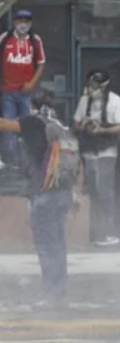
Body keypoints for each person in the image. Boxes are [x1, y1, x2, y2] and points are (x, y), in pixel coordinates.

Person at [1, 104, 77, 306]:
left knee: (46, 246)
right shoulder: (59, 126)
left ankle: (52, 294)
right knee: (58, 245)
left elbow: (4, 124)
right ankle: (58, 292)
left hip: (44, 193)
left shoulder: (32, 122)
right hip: (62, 192)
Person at [73, 69, 120, 248]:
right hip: (89, 150)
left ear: (104, 85)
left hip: (106, 151)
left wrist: (102, 129)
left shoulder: (115, 100)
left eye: (95, 84)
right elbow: (75, 124)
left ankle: (108, 231)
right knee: (93, 192)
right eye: (90, 84)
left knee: (105, 191)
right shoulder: (84, 100)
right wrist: (84, 124)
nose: (91, 87)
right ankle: (96, 231)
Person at [0, 9, 46, 168]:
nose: (23, 24)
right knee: (8, 128)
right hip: (7, 91)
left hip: (27, 93)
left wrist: (32, 83)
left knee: (29, 128)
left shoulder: (35, 40)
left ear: (31, 23)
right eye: (20, 20)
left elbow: (41, 64)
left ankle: (30, 163)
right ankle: (13, 163)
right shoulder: (4, 39)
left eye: (27, 21)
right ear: (14, 22)